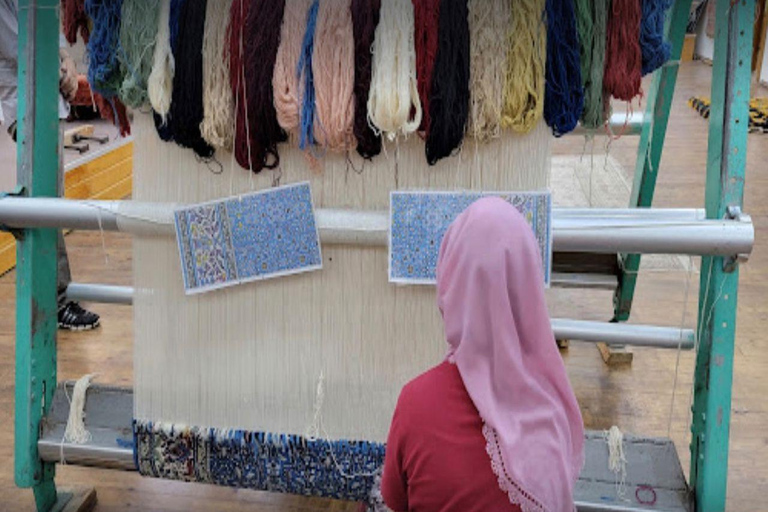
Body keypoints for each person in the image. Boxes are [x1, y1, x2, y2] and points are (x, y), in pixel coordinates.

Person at [381, 197, 584, 512]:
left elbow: (395, 500)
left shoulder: (415, 405)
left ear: (451, 280)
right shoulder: (555, 413)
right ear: (528, 283)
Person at [1, 0, 100, 330]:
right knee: (45, 203)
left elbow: (49, 29)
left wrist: (68, 61)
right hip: (27, 103)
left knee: (50, 201)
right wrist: (64, 73)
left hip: (46, 98)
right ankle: (55, 302)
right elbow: (22, 46)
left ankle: (54, 299)